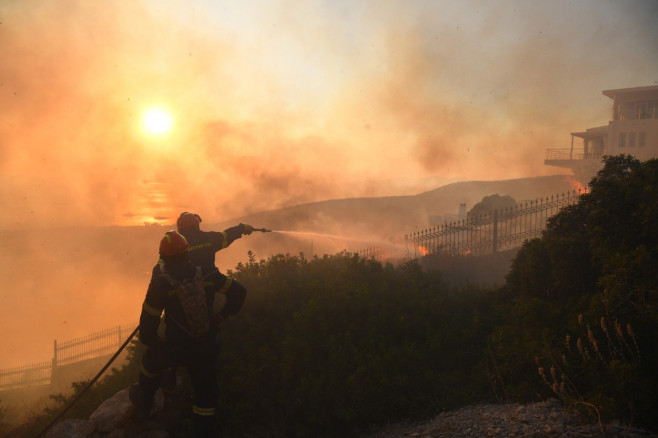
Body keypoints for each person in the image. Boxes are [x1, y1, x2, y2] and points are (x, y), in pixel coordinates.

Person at [131, 230, 246, 437]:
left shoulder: (160, 284)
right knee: (205, 396)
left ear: (163, 255)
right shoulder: (208, 274)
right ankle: (203, 430)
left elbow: (147, 330)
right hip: (206, 346)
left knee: (149, 362)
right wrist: (221, 316)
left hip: (175, 349)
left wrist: (157, 342)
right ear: (187, 252)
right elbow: (239, 292)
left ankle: (144, 405)